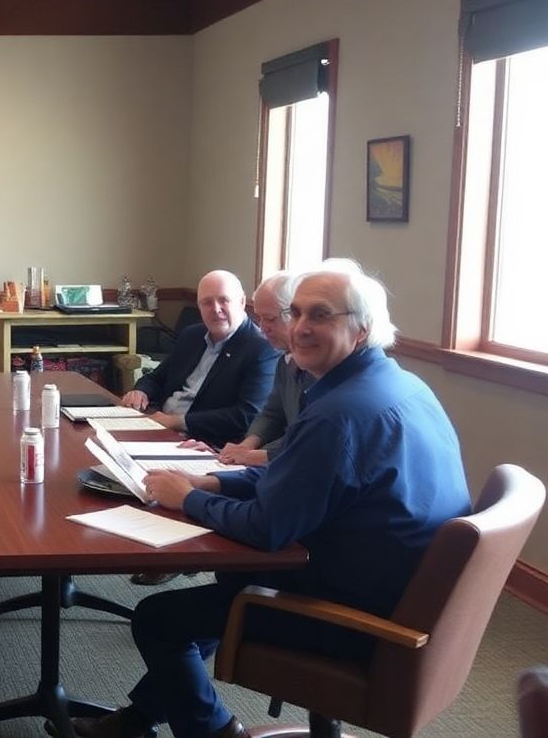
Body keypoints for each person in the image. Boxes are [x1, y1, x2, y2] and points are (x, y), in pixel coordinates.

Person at [62, 262, 472, 738]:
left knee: (159, 618)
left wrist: (187, 502)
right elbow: (300, 478)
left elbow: (267, 528)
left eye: (320, 316)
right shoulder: (401, 385)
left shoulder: (337, 414)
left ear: (362, 329)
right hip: (399, 591)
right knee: (223, 589)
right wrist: (212, 485)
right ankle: (138, 719)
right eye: (294, 313)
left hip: (359, 619)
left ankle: (214, 732)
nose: (299, 329)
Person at [119, 270, 276, 448]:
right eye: (207, 302)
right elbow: (157, 378)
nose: (216, 309)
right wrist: (141, 391)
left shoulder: (262, 348)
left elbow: (246, 416)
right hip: (159, 426)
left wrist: (177, 421)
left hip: (203, 442)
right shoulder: (192, 335)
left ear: (241, 302)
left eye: (224, 300)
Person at [213, 271, 315, 467]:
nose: (262, 328)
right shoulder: (284, 360)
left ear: (293, 315)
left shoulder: (317, 366)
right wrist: (246, 445)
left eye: (270, 319)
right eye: (259, 318)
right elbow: (272, 413)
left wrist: (253, 456)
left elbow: (308, 438)